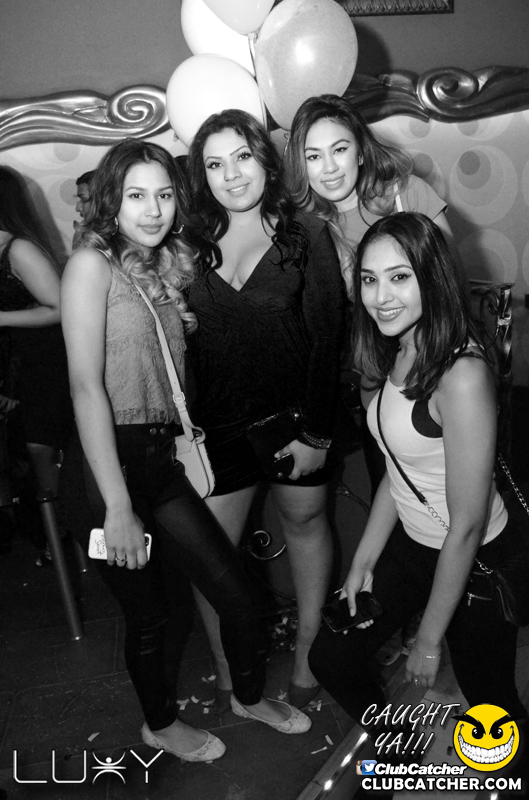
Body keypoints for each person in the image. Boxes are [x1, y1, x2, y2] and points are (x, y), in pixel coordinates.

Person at [61, 138, 311, 763]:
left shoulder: (163, 267)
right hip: (106, 467)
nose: (153, 210)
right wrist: (117, 506)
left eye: (165, 195)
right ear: (111, 201)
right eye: (136, 196)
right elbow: (86, 387)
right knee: (150, 616)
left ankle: (247, 697)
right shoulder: (90, 265)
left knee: (240, 597)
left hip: (161, 460)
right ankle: (160, 724)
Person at [308, 213, 527, 774]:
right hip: (414, 543)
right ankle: (400, 747)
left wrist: (429, 639)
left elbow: (467, 525)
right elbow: (397, 467)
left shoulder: (461, 375)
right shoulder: (396, 348)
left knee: (491, 705)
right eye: (369, 279)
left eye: (399, 277)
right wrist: (362, 561)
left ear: (432, 277)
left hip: (475, 561)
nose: (381, 297)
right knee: (332, 657)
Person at [184, 109, 345, 710]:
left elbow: (327, 341)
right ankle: (230, 668)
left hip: (294, 423)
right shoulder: (187, 244)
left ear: (265, 160)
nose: (231, 175)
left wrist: (317, 434)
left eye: (242, 157)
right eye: (215, 164)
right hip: (216, 431)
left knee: (305, 528)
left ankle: (308, 656)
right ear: (202, 175)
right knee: (209, 558)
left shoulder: (306, 234)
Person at [0, 166, 72, 505]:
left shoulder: (19, 249)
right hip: (15, 363)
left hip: (42, 360)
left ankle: (64, 526)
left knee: (40, 449)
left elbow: (59, 307)